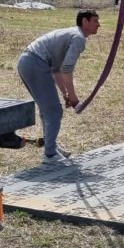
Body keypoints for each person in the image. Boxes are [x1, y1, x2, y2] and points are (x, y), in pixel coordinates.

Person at [17, 10, 101, 164]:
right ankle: (50, 155)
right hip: (35, 63)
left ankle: (51, 147)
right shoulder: (78, 38)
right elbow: (67, 69)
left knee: (48, 110)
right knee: (54, 111)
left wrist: (65, 94)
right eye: (95, 21)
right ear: (85, 21)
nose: (99, 25)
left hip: (27, 62)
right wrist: (74, 97)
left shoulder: (72, 34)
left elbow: (57, 70)